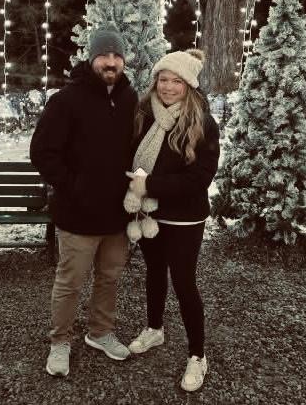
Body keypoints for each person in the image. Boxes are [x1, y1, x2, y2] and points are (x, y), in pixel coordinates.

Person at [30, 26, 138, 377]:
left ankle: (100, 332)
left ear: (124, 61)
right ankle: (60, 341)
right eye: (104, 55)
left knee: (110, 277)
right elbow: (42, 152)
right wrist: (74, 186)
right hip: (78, 214)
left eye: (117, 56)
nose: (111, 62)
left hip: (116, 215)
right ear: (91, 58)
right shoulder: (66, 100)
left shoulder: (130, 99)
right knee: (70, 282)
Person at [124, 49, 220, 392]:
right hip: (149, 213)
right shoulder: (143, 114)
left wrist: (150, 185)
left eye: (176, 81)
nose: (167, 87)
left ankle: (197, 355)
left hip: (185, 218)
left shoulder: (202, 123)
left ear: (189, 85)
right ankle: (154, 329)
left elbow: (199, 178)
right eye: (162, 79)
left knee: (183, 281)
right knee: (153, 273)